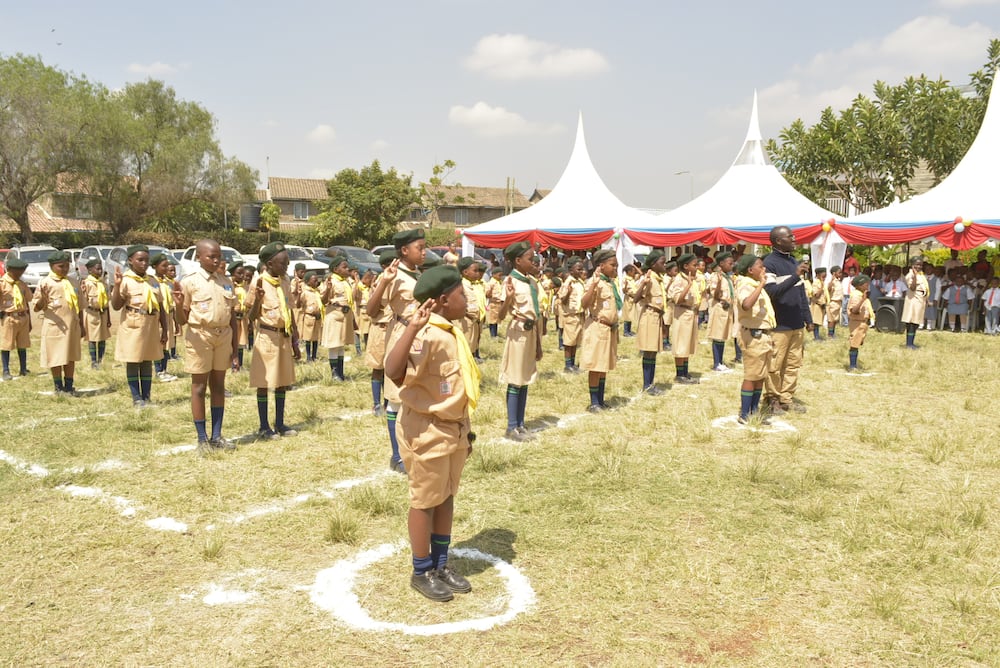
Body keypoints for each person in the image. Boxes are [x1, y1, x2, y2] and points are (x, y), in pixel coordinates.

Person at [384, 264, 479, 602]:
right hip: (427, 428)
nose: (466, 298)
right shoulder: (425, 333)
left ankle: (440, 563)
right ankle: (421, 569)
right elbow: (393, 371)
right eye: (460, 294)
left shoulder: (450, 330)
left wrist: (467, 432)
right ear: (442, 300)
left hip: (454, 427)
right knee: (425, 500)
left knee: (446, 495)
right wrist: (411, 328)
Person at [367, 229, 425, 473]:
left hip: (420, 336)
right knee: (396, 398)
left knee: (415, 393)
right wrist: (384, 282)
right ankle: (397, 455)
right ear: (404, 251)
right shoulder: (393, 275)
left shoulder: (417, 274)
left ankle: (412, 448)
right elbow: (371, 310)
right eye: (419, 248)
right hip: (401, 334)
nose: (424, 252)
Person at [175, 239, 239, 452]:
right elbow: (182, 320)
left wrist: (235, 348)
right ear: (199, 257)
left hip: (223, 336)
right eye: (211, 256)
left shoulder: (226, 282)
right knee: (199, 387)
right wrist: (177, 305)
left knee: (219, 385)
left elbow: (232, 317)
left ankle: (217, 436)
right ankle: (202, 439)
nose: (215, 260)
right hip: (199, 336)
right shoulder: (189, 282)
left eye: (218, 256)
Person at [246, 242, 300, 439]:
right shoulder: (258, 282)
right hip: (267, 336)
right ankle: (263, 426)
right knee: (264, 381)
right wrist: (258, 300)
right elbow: (250, 317)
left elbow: (289, 310)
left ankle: (279, 423)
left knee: (282, 381)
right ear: (270, 263)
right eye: (283, 263)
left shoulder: (285, 281)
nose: (286, 266)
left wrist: (295, 339)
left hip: (284, 337)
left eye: (287, 262)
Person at [762, 226, 812, 415]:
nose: (794, 238)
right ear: (778, 241)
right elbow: (771, 292)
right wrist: (795, 276)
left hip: (796, 323)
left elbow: (800, 293)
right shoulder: (770, 263)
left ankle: (786, 399)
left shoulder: (793, 262)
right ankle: (772, 399)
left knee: (793, 364)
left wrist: (807, 318)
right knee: (775, 365)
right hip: (779, 324)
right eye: (789, 236)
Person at [111, 245, 167, 406]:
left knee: (147, 360)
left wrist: (165, 330)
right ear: (130, 261)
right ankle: (136, 397)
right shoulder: (126, 280)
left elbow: (160, 306)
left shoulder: (153, 281)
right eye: (140, 260)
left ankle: (147, 396)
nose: (144, 263)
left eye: (146, 260)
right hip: (133, 324)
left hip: (151, 325)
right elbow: (116, 305)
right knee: (134, 360)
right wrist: (116, 285)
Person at [499, 241, 543, 441]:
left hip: (531, 332)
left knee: (525, 379)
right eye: (529, 259)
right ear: (518, 260)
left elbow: (537, 314)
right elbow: (499, 316)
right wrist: (508, 299)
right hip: (518, 331)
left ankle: (521, 423)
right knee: (515, 378)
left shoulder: (531, 282)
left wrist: (539, 345)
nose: (533, 262)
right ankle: (511, 427)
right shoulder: (510, 282)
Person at [33, 251, 84, 395]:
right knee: (55, 357)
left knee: (70, 356)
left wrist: (82, 325)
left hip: (72, 326)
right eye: (61, 266)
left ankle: (69, 385)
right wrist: (43, 298)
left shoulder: (73, 282)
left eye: (67, 266)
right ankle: (58, 386)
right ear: (52, 266)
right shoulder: (45, 283)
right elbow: (37, 308)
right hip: (55, 327)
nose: (65, 269)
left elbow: (79, 306)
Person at [734, 254, 775, 424]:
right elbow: (746, 305)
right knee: (751, 375)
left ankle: (754, 410)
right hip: (752, 335)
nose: (763, 269)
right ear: (750, 270)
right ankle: (744, 413)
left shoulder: (754, 285)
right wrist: (762, 284)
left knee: (760, 375)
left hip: (762, 334)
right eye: (760, 266)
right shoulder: (745, 285)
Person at [579, 249, 620, 412]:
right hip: (597, 327)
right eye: (613, 265)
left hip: (608, 329)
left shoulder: (609, 283)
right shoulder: (594, 282)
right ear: (601, 266)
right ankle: (594, 402)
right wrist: (594, 285)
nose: (615, 268)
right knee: (595, 365)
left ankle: (601, 400)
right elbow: (584, 303)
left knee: (603, 365)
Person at [363, 250, 397, 419]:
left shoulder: (398, 282)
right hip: (380, 328)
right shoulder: (379, 284)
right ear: (385, 266)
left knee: (391, 368)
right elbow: (372, 309)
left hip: (394, 328)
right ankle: (376, 403)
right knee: (378, 368)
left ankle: (387, 401)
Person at [634, 250, 667, 394]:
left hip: (657, 316)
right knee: (649, 351)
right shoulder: (649, 279)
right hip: (650, 316)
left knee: (653, 352)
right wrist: (644, 283)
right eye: (662, 262)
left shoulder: (658, 278)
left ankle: (650, 383)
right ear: (653, 265)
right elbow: (636, 298)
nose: (664, 265)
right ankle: (647, 385)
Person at [667, 253, 700, 384]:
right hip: (682, 313)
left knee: (687, 344)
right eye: (694, 265)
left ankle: (685, 372)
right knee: (681, 343)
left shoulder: (690, 278)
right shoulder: (679, 280)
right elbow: (677, 299)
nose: (697, 267)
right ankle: (679, 374)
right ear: (686, 266)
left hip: (691, 313)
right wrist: (688, 285)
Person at [321, 255, 355, 381]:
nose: (347, 269)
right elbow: (323, 300)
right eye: (344, 267)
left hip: (345, 316)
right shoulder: (331, 281)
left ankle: (341, 372)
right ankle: (334, 374)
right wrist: (328, 289)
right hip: (335, 316)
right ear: (336, 269)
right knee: (334, 345)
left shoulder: (345, 282)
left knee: (341, 345)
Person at [0, 257, 32, 380]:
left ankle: (23, 368)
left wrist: (30, 321)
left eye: (22, 271)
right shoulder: (2, 284)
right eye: (17, 272)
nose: (20, 274)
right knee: (6, 345)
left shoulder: (22, 284)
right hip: (9, 318)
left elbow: (28, 299)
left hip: (22, 317)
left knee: (22, 344)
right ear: (9, 270)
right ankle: (6, 370)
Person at [150, 253, 179, 382]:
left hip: (168, 315)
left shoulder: (168, 283)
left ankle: (164, 369)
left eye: (168, 265)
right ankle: (158, 370)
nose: (167, 268)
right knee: (158, 344)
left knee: (167, 343)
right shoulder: (152, 281)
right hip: (157, 317)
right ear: (155, 267)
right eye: (164, 266)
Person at [79, 258, 111, 371]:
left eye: (101, 268)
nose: (100, 271)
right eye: (97, 269)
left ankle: (100, 360)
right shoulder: (87, 283)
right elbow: (82, 301)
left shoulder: (103, 284)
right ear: (90, 270)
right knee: (92, 338)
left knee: (103, 337)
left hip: (103, 313)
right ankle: (93, 361)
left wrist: (109, 318)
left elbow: (107, 302)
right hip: (92, 313)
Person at [707, 251, 736, 373]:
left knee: (723, 335)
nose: (732, 265)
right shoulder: (716, 276)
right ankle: (716, 363)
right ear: (721, 263)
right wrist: (718, 283)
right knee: (717, 335)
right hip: (719, 308)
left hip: (727, 309)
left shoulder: (728, 277)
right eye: (730, 263)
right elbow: (715, 294)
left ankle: (720, 361)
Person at [557, 256, 585, 374]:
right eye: (578, 269)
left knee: (575, 341)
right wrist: (568, 293)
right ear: (571, 270)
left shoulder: (579, 282)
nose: (581, 271)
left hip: (579, 314)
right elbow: (562, 300)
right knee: (569, 342)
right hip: (571, 316)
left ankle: (573, 364)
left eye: (581, 269)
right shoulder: (568, 282)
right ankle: (568, 365)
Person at [458, 257, 486, 361]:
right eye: (475, 271)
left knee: (472, 347)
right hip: (466, 320)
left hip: (474, 321)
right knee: (466, 347)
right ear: (465, 272)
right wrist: (469, 315)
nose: (477, 273)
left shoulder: (471, 284)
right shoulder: (461, 285)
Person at [901, 256, 928, 349]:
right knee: (912, 321)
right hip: (913, 299)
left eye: (920, 265)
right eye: (917, 264)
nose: (919, 266)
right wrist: (915, 276)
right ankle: (909, 343)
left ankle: (911, 342)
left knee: (916, 322)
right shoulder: (910, 275)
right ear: (912, 265)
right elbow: (912, 287)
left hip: (920, 299)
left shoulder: (921, 274)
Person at [847, 274, 873, 372]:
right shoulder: (856, 296)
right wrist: (863, 299)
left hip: (862, 323)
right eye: (866, 284)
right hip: (856, 323)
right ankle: (852, 365)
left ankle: (854, 364)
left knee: (857, 343)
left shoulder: (861, 294)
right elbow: (854, 310)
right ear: (859, 285)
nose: (867, 285)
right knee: (854, 343)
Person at [297, 270, 325, 363]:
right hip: (309, 317)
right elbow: (299, 305)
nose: (316, 282)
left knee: (316, 338)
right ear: (308, 281)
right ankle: (308, 356)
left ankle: (314, 355)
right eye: (314, 280)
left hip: (317, 317)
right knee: (308, 338)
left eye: (317, 280)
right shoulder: (305, 293)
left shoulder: (317, 292)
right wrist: (298, 295)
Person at [229, 261, 250, 370]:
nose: (242, 276)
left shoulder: (245, 287)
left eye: (243, 273)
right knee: (234, 341)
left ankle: (240, 364)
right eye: (239, 273)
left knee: (242, 341)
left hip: (243, 317)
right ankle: (233, 364)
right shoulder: (231, 286)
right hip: (235, 317)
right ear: (233, 274)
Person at [485, 270, 504, 339]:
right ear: (493, 274)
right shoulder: (491, 283)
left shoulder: (499, 282)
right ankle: (492, 335)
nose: (500, 277)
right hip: (493, 303)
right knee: (492, 319)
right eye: (499, 275)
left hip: (499, 303)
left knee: (496, 320)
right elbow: (487, 294)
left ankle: (495, 334)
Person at [810, 267, 828, 341]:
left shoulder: (822, 282)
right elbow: (816, 295)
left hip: (822, 304)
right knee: (816, 322)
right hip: (817, 304)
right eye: (823, 275)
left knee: (819, 321)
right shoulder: (816, 283)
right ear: (818, 274)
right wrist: (821, 287)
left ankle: (818, 336)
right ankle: (816, 337)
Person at [826, 266, 843, 338]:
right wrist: (832, 280)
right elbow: (829, 289)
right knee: (831, 320)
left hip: (838, 302)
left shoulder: (838, 281)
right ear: (834, 273)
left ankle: (833, 333)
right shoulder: (833, 282)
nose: (841, 274)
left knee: (835, 319)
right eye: (839, 272)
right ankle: (830, 334)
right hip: (833, 302)